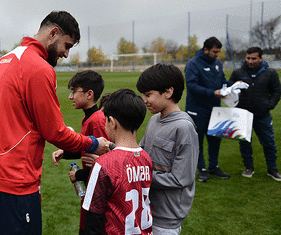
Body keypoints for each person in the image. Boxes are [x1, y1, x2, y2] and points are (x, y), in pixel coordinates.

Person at [0, 11, 109, 235]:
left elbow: (26, 119)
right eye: (66, 45)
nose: (66, 54)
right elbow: (55, 133)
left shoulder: (5, 60)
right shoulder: (38, 67)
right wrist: (94, 144)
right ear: (53, 33)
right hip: (15, 178)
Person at [137, 64, 199, 235]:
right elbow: (140, 153)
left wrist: (141, 175)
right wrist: (113, 148)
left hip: (166, 219)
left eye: (148, 94)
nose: (144, 99)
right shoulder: (154, 120)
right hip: (147, 209)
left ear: (168, 92)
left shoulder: (184, 128)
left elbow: (181, 179)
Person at [82, 88, 153, 235]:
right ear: (139, 124)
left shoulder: (103, 164)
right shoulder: (146, 158)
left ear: (112, 122)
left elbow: (93, 218)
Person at [51, 70, 109, 235]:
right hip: (90, 192)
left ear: (89, 94)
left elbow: (105, 163)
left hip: (98, 196)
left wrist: (79, 175)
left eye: (74, 92)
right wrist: (66, 153)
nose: (70, 97)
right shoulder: (88, 118)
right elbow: (90, 148)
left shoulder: (97, 119)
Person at [185, 36, 233, 182]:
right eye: (215, 51)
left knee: (215, 139)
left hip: (215, 109)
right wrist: (212, 93)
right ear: (205, 50)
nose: (217, 55)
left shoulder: (217, 63)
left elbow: (222, 82)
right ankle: (202, 169)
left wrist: (233, 85)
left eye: (218, 52)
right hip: (197, 109)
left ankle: (213, 166)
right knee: (197, 141)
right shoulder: (193, 64)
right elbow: (192, 86)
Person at [229, 47, 281, 181]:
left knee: (269, 143)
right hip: (243, 115)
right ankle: (248, 167)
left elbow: (276, 91)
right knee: (245, 143)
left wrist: (269, 105)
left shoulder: (270, 73)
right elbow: (229, 88)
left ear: (261, 58)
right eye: (248, 58)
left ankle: (272, 169)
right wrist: (233, 87)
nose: (250, 61)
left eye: (254, 58)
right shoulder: (238, 72)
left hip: (262, 115)